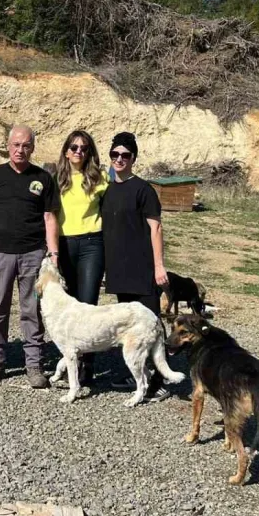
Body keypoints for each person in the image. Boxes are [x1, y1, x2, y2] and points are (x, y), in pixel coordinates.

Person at [0, 125, 60, 388]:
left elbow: (49, 217)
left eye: (26, 145)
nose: (20, 150)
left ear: (33, 147)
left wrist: (53, 253)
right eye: (16, 145)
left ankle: (34, 365)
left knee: (30, 309)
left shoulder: (43, 178)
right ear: (7, 146)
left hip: (32, 255)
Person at [100, 131, 173, 401]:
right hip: (119, 270)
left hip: (142, 268)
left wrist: (159, 266)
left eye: (125, 155)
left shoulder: (144, 190)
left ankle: (160, 382)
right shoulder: (107, 189)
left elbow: (156, 229)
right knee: (132, 327)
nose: (119, 159)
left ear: (134, 158)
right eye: (115, 154)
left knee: (151, 324)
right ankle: (139, 374)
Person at [55, 130, 108, 387]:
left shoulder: (100, 178)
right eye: (74, 147)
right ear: (66, 150)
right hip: (64, 244)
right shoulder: (56, 178)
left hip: (91, 244)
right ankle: (70, 363)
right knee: (70, 306)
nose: (78, 152)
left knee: (87, 305)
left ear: (89, 153)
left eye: (84, 148)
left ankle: (88, 365)